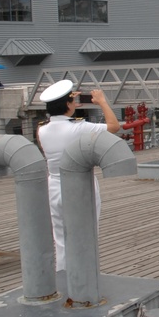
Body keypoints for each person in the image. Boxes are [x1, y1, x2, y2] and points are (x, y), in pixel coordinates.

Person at [38, 79, 120, 271]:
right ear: (68, 104)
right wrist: (101, 102)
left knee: (61, 238)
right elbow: (114, 126)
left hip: (54, 186)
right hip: (80, 185)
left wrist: (68, 101)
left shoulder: (41, 129)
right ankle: (86, 279)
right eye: (72, 101)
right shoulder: (78, 127)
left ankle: (64, 277)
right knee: (86, 234)